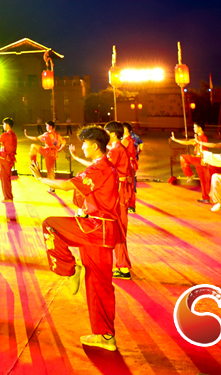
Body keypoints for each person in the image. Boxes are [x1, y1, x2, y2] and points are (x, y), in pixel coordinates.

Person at [37, 125, 120, 351]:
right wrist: (84, 209)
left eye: (85, 144)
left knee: (50, 225)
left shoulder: (100, 168)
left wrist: (41, 179)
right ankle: (105, 336)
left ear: (95, 146)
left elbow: (66, 185)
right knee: (97, 284)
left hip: (96, 230)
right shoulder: (103, 166)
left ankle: (70, 270)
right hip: (98, 229)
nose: (82, 147)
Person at [104, 121, 134, 280]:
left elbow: (104, 168)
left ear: (113, 134)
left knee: (118, 230)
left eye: (106, 132)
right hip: (122, 190)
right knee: (117, 229)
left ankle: (123, 268)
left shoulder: (116, 150)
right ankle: (122, 265)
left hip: (120, 192)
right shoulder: (117, 148)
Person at [24, 121, 62, 187]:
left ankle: (34, 164)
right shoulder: (57, 135)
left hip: (48, 153)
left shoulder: (46, 134)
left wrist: (27, 136)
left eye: (47, 126)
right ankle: (34, 164)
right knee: (50, 171)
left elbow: (36, 138)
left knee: (50, 171)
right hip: (50, 152)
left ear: (51, 127)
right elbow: (64, 142)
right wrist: (60, 149)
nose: (46, 127)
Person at [0, 117, 18, 201]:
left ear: (8, 125)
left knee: (5, 178)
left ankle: (8, 197)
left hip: (5, 158)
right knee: (6, 178)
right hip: (10, 158)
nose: (3, 126)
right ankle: (9, 195)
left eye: (4, 124)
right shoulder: (14, 134)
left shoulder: (6, 135)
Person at [122, 122, 142, 212]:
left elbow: (118, 150)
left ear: (126, 129)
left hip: (129, 164)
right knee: (130, 185)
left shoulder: (126, 140)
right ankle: (130, 205)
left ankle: (130, 205)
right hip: (130, 163)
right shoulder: (130, 138)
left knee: (129, 186)